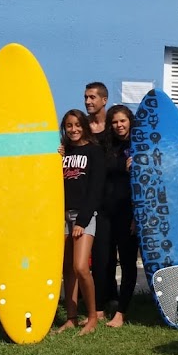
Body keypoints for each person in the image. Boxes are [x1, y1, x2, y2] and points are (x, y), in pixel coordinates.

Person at [56, 110, 106, 335]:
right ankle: (71, 317)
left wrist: (82, 221)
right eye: (69, 126)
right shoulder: (63, 152)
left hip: (83, 216)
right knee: (67, 269)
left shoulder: (94, 152)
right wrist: (56, 160)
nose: (73, 129)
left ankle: (93, 317)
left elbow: (96, 190)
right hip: (61, 215)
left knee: (80, 266)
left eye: (77, 125)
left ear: (84, 126)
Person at [100, 105, 138, 328]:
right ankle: (105, 304)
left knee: (128, 263)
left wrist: (137, 216)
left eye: (123, 121)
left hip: (129, 213)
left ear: (130, 121)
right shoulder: (106, 145)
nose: (119, 125)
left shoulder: (139, 147)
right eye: (114, 122)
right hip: (106, 212)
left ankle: (122, 312)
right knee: (105, 262)